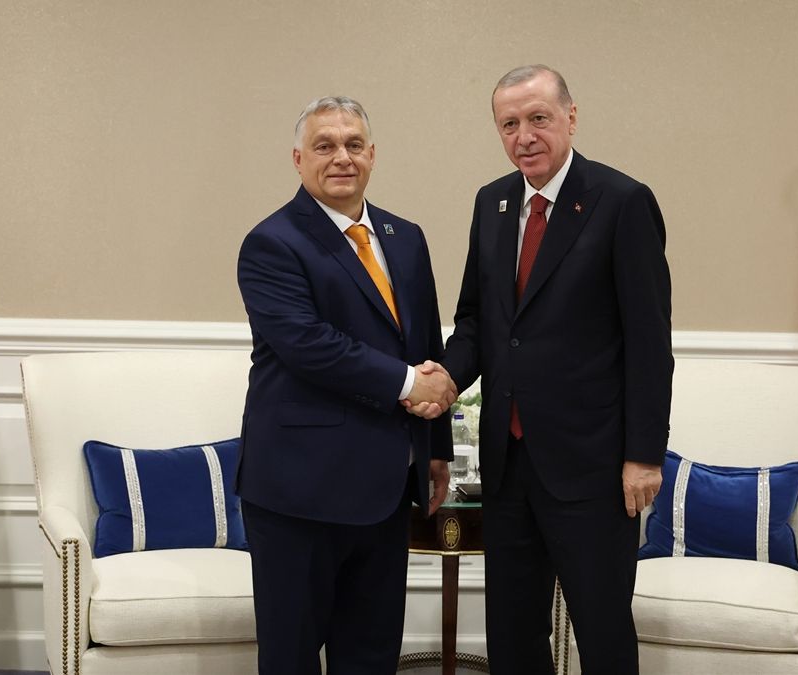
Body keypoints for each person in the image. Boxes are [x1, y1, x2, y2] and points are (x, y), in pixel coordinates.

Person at [428, 65, 674, 674]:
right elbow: (477, 320)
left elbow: (649, 342)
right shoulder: (491, 202)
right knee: (513, 636)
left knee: (602, 632)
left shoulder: (622, 202)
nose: (525, 136)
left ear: (571, 116)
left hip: (593, 467)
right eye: (509, 124)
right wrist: (445, 378)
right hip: (507, 466)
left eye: (538, 118)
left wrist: (644, 455)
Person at [235, 95, 456, 674]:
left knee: (371, 655)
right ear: (298, 158)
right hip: (298, 492)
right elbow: (308, 344)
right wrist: (408, 383)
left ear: (372, 154)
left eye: (354, 144)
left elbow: (425, 342)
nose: (342, 157)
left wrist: (435, 450)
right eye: (325, 145)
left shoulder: (405, 237)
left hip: (386, 488)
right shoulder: (272, 242)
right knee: (291, 657)